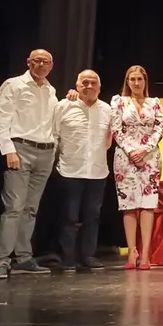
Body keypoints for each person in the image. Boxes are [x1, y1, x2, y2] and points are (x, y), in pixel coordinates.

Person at [0, 49, 58, 279]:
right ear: (28, 62)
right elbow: (1, 121)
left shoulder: (50, 90)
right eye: (37, 60)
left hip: (45, 152)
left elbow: (52, 123)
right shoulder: (14, 85)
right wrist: (9, 150)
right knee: (14, 207)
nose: (41, 64)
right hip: (21, 149)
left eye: (45, 61)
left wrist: (53, 148)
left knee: (30, 209)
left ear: (51, 65)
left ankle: (24, 258)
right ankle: (2, 260)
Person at [53, 69, 112, 271]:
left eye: (93, 83)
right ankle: (68, 257)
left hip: (97, 171)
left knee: (92, 217)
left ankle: (88, 255)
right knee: (68, 216)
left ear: (99, 87)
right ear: (77, 86)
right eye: (84, 82)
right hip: (70, 170)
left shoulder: (107, 109)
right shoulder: (63, 106)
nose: (89, 86)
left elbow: (110, 138)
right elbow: (54, 135)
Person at [110, 65, 163, 270]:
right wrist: (132, 151)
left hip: (150, 158)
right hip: (125, 158)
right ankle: (132, 252)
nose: (136, 83)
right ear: (127, 81)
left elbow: (159, 129)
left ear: (145, 81)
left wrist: (145, 150)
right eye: (132, 79)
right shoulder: (119, 101)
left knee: (148, 204)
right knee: (129, 205)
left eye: (139, 79)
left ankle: (146, 253)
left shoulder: (154, 102)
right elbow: (116, 129)